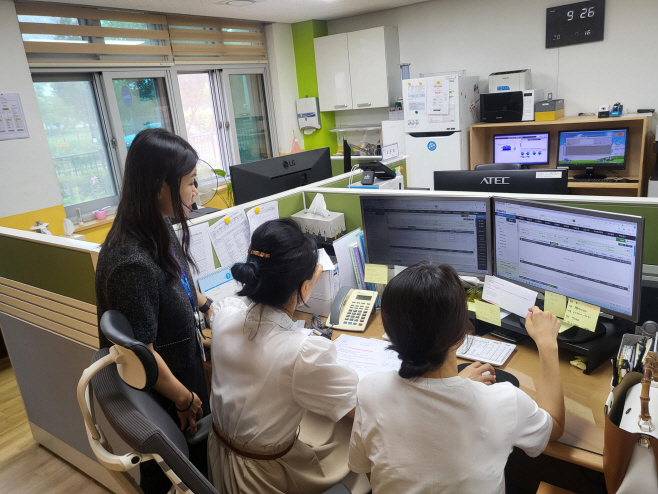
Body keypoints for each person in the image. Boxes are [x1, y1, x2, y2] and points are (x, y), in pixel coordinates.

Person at [348, 262, 565, 494]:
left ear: (390, 333)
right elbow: (555, 426)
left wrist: (456, 384)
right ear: (461, 332)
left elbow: (370, 471)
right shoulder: (503, 402)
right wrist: (547, 344)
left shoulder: (370, 390)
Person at [95, 128, 214, 494]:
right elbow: (140, 350)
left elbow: (177, 281)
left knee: (195, 469)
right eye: (190, 182)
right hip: (167, 391)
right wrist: (185, 399)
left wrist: (208, 305)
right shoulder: (131, 262)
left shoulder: (155, 228)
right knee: (174, 476)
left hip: (182, 372)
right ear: (160, 186)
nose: (196, 191)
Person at [207, 218, 363, 494]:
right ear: (303, 287)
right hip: (264, 477)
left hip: (221, 460)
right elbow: (359, 405)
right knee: (357, 445)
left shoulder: (224, 317)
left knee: (320, 420)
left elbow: (220, 309)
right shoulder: (301, 354)